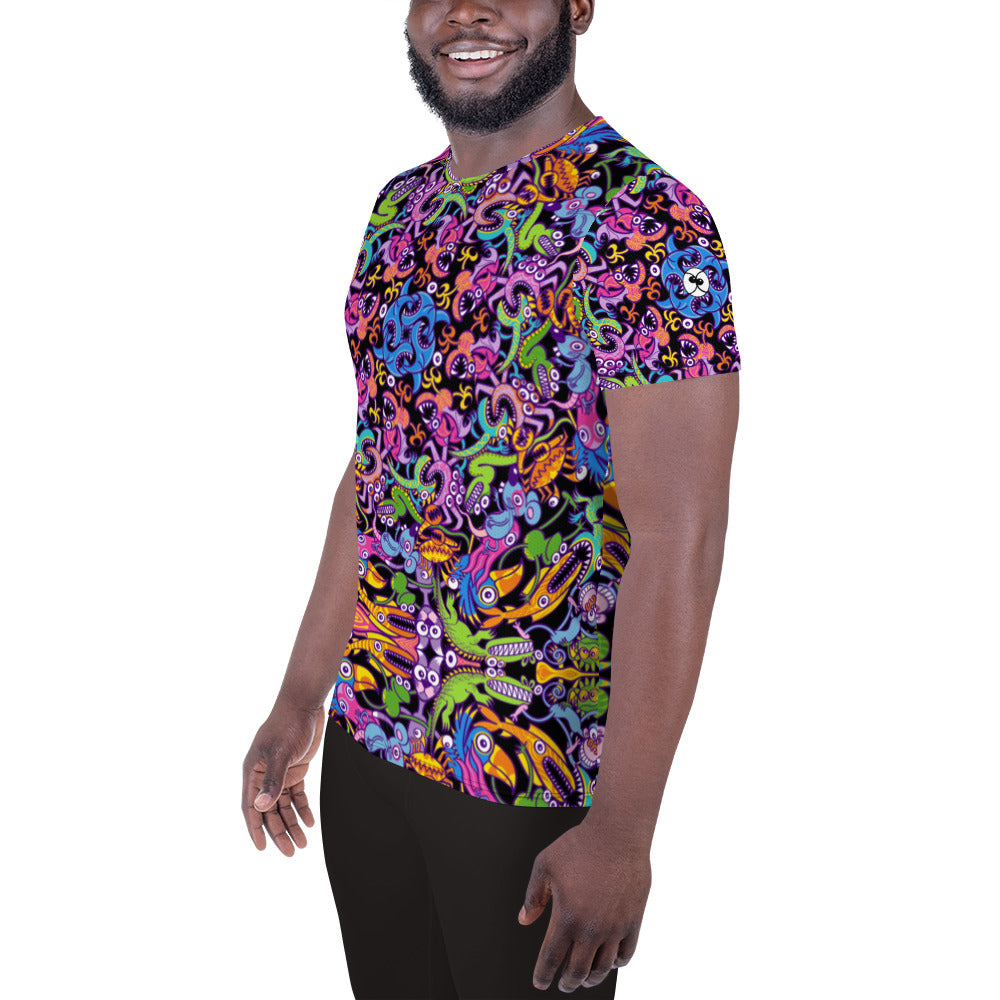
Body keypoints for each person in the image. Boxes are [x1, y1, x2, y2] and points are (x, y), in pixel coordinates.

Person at [241, 1, 740, 996]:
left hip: (530, 773)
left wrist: (624, 828)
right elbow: (379, 467)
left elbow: (680, 536)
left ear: (577, 5)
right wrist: (301, 696)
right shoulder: (400, 211)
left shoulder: (645, 222)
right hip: (371, 745)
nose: (466, 9)